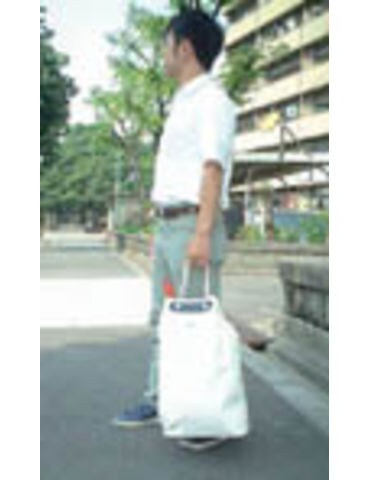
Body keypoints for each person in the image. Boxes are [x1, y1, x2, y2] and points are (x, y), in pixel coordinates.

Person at [112, 8, 237, 452]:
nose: (162, 53)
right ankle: (160, 398)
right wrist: (159, 225)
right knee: (165, 318)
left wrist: (201, 234)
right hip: (169, 227)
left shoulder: (212, 102)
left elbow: (212, 168)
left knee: (197, 321)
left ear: (184, 48)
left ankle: (208, 416)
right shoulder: (183, 102)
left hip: (191, 225)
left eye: (165, 45)